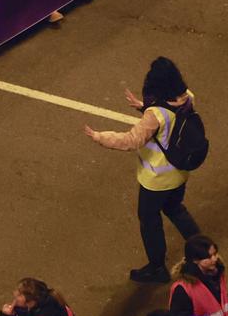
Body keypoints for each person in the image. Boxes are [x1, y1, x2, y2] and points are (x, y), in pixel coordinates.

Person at [80, 57, 203, 284]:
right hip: (179, 172)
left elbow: (131, 140)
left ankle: (157, 268)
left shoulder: (155, 115)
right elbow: (168, 120)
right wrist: (144, 107)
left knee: (149, 220)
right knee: (175, 209)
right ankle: (202, 250)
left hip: (156, 179)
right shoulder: (187, 97)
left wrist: (99, 137)